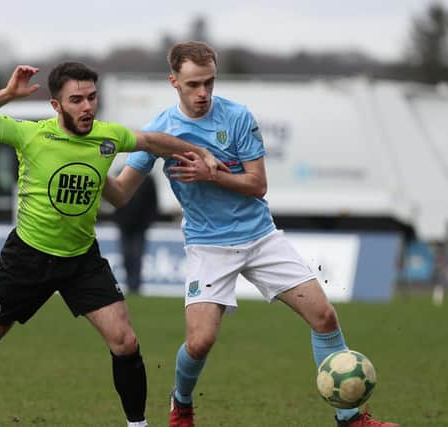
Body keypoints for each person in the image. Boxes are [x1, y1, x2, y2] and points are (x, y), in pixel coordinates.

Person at [102, 41, 400, 427]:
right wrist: (94, 175)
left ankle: (350, 417)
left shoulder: (238, 117)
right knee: (200, 342)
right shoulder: (161, 130)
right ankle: (182, 404)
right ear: (173, 81)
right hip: (208, 247)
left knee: (324, 316)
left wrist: (214, 175)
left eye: (209, 82)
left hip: (261, 238)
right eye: (193, 84)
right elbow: (122, 192)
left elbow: (258, 185)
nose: (203, 93)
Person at [0, 62, 225, 427]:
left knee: (125, 341)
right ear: (56, 105)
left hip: (81, 259)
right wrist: (7, 95)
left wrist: (197, 152)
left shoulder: (107, 136)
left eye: (92, 98)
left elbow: (152, 140)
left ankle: (138, 424)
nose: (87, 107)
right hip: (29, 257)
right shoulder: (31, 135)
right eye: (77, 99)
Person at [112, 173, 158, 294]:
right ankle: (130, 284)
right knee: (126, 257)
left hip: (139, 226)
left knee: (137, 257)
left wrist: (146, 223)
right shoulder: (120, 173)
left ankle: (135, 286)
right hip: (124, 225)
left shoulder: (148, 179)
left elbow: (153, 203)